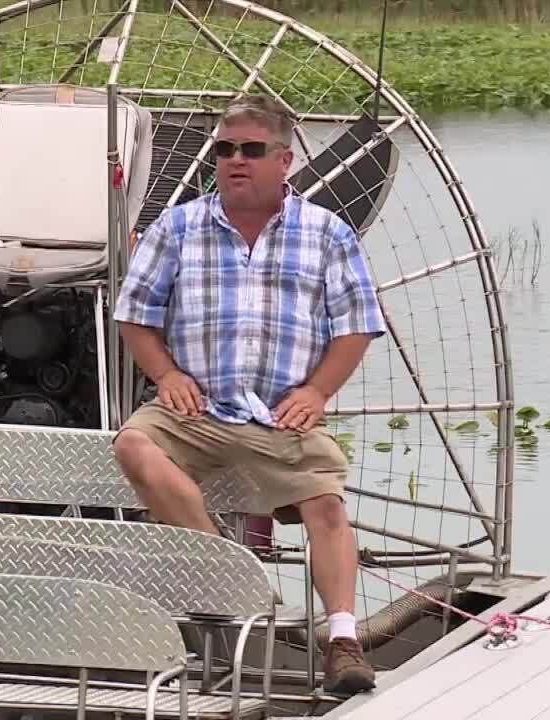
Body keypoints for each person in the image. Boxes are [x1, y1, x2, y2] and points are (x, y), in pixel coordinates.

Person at [110, 94, 386, 696]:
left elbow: (357, 324)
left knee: (328, 507)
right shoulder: (177, 227)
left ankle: (342, 639)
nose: (236, 160)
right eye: (225, 150)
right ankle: (234, 578)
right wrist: (166, 375)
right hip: (196, 410)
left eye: (251, 150)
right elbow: (134, 314)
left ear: (284, 159)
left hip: (280, 413)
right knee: (133, 444)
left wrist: (317, 391)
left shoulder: (326, 234)